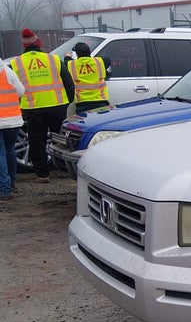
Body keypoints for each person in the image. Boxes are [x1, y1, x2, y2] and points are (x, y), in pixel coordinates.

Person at [9, 28, 74, 183]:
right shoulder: (54, 59)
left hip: (33, 108)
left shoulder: (15, 63)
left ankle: (42, 174)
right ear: (38, 43)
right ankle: (64, 169)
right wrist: (67, 101)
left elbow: (11, 88)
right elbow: (68, 83)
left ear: (24, 46)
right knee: (60, 140)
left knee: (36, 141)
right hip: (57, 106)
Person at [0, 63, 25, 200]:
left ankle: (4, 189)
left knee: (1, 153)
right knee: (10, 150)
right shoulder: (7, 71)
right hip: (12, 119)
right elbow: (21, 91)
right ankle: (12, 182)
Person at [65, 42, 111, 113]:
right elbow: (108, 60)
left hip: (82, 103)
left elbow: (65, 62)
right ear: (90, 52)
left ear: (77, 54)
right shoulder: (99, 61)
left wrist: (67, 56)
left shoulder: (71, 64)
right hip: (100, 101)